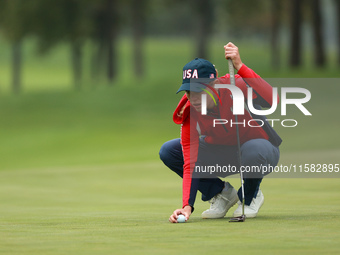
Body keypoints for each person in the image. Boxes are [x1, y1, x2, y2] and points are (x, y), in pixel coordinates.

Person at [159, 42, 282, 223]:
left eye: (199, 90)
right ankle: (221, 194)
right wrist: (187, 205)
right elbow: (190, 163)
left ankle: (250, 195)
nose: (193, 98)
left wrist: (240, 67)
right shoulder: (190, 111)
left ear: (214, 84)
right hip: (220, 153)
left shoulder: (237, 86)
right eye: (188, 91)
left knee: (254, 149)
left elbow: (274, 100)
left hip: (260, 151)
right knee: (170, 151)